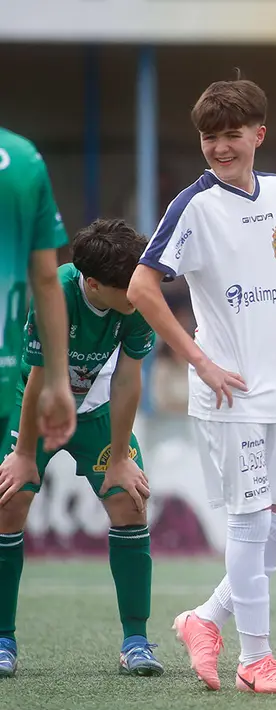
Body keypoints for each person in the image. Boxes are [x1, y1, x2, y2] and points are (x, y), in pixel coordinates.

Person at [127, 76, 276, 694]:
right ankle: (256, 659)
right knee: (251, 525)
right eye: (209, 137)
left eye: (232, 135)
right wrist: (197, 359)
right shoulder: (193, 207)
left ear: (258, 134)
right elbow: (143, 287)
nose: (220, 147)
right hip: (227, 393)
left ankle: (206, 619)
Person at [0, 219, 153, 678]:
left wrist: (122, 458)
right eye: (126, 288)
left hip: (99, 411)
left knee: (131, 502)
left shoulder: (137, 295)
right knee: (9, 503)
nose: (138, 292)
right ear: (92, 283)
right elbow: (40, 378)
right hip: (38, 402)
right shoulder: (57, 294)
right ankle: (3, 639)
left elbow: (128, 378)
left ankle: (136, 641)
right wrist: (25, 454)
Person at [0, 126, 78, 677]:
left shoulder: (26, 160)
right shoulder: (24, 158)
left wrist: (54, 380)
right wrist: (56, 380)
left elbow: (49, 280)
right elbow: (46, 281)